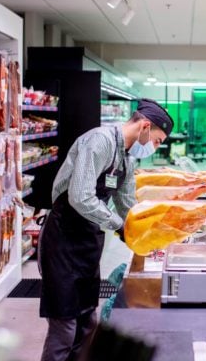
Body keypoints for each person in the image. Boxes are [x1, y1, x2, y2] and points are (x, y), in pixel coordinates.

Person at [38, 98, 173, 361]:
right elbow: (80, 197)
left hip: (88, 239)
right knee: (64, 328)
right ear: (145, 126)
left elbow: (125, 202)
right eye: (157, 141)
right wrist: (120, 226)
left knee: (87, 322)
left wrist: (146, 231)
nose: (155, 148)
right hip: (63, 238)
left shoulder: (128, 156)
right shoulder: (99, 142)